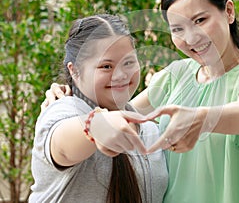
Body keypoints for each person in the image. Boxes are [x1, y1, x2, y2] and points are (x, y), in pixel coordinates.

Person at [43, 0, 239, 203]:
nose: (191, 38)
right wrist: (71, 92)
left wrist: (200, 118)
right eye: (178, 29)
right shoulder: (176, 75)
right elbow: (123, 115)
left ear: (229, 12)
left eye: (200, 20)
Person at [30, 14, 168, 203]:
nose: (120, 75)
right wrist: (96, 126)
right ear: (74, 70)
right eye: (106, 66)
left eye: (128, 62)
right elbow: (62, 145)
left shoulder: (150, 130)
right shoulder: (62, 110)